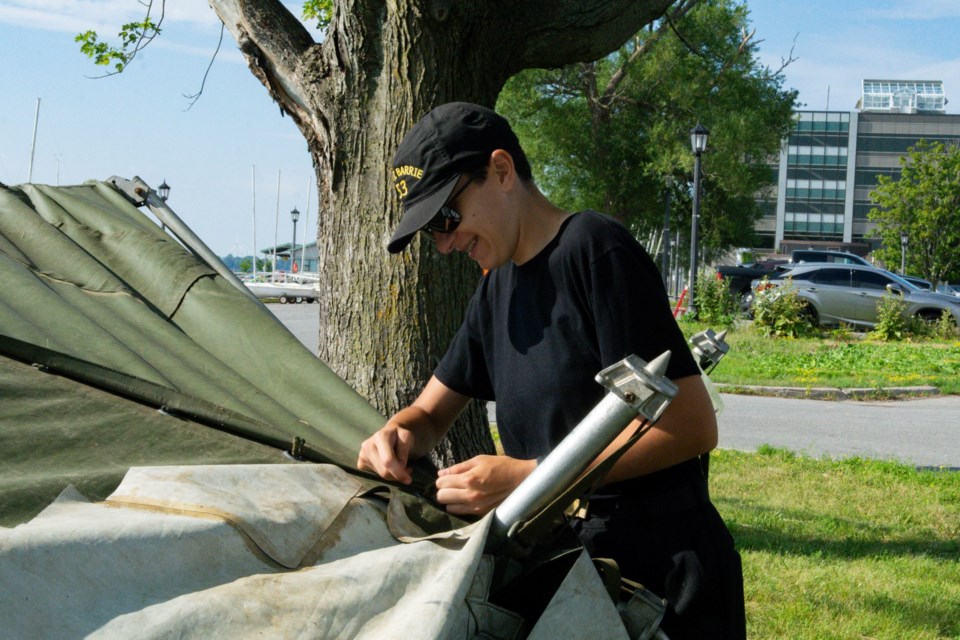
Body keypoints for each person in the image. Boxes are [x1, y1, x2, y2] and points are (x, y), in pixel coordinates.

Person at [358, 102, 745, 638]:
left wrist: (532, 479)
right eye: (432, 233)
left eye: (446, 217)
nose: (445, 244)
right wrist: (396, 434)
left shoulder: (594, 250)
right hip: (569, 583)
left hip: (659, 587)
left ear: (501, 170)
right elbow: (430, 412)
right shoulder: (495, 287)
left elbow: (692, 426)